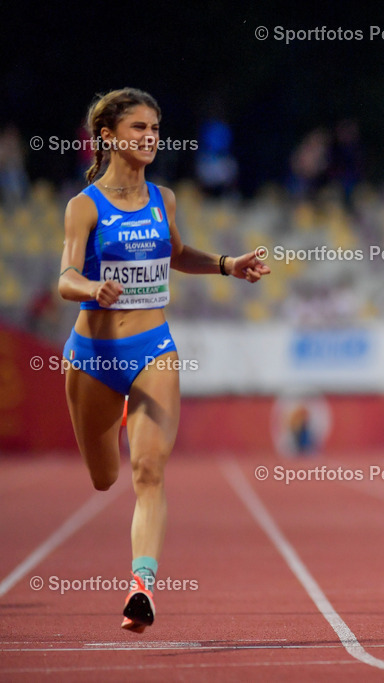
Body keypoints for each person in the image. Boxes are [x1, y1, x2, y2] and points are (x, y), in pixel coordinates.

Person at [58, 88, 270, 632]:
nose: (150, 137)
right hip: (91, 357)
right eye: (137, 128)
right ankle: (119, 415)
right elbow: (63, 279)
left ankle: (142, 587)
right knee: (105, 477)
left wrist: (227, 264)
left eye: (154, 127)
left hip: (153, 349)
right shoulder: (84, 207)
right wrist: (90, 286)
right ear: (107, 137)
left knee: (149, 472)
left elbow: (176, 255)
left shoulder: (164, 199)